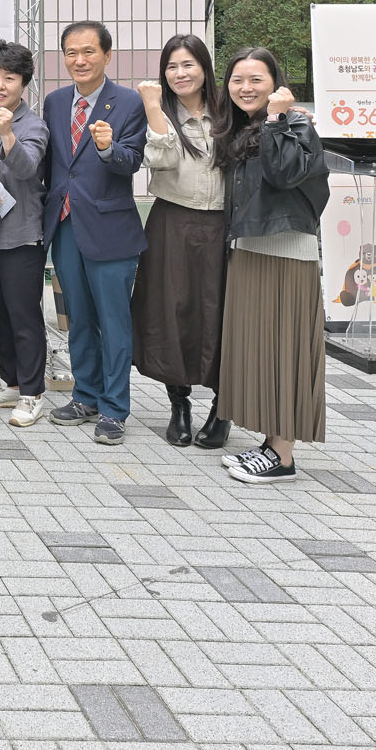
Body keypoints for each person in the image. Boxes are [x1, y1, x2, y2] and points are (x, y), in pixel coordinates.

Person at [214, 48, 331, 484]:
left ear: (276, 84)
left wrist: (279, 118)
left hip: (287, 252)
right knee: (262, 349)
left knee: (286, 350)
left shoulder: (296, 124)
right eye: (237, 79)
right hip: (251, 248)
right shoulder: (245, 127)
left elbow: (284, 174)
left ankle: (283, 456)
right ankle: (270, 443)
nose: (245, 88)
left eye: (256, 80)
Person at [42, 20, 148, 444]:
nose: (79, 60)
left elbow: (132, 161)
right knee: (79, 317)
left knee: (114, 321)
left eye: (88, 51)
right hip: (65, 224)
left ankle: (115, 408)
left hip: (110, 227)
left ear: (107, 55)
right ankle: (85, 395)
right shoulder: (54, 102)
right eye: (71, 52)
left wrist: (107, 148)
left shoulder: (129, 103)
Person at [132, 34, 232, 449]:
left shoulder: (229, 110)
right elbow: (162, 159)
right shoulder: (158, 111)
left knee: (222, 313)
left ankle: (223, 406)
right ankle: (179, 403)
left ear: (205, 67)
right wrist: (154, 108)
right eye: (172, 67)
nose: (180, 73)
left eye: (188, 64)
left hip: (224, 224)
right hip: (172, 221)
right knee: (171, 311)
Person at [0, 39, 52, 428]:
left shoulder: (32, 124)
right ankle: (10, 380)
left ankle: (32, 392)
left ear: (24, 82)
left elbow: (25, 168)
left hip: (21, 235)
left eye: (9, 78)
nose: (0, 85)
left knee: (24, 316)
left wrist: (7, 134)